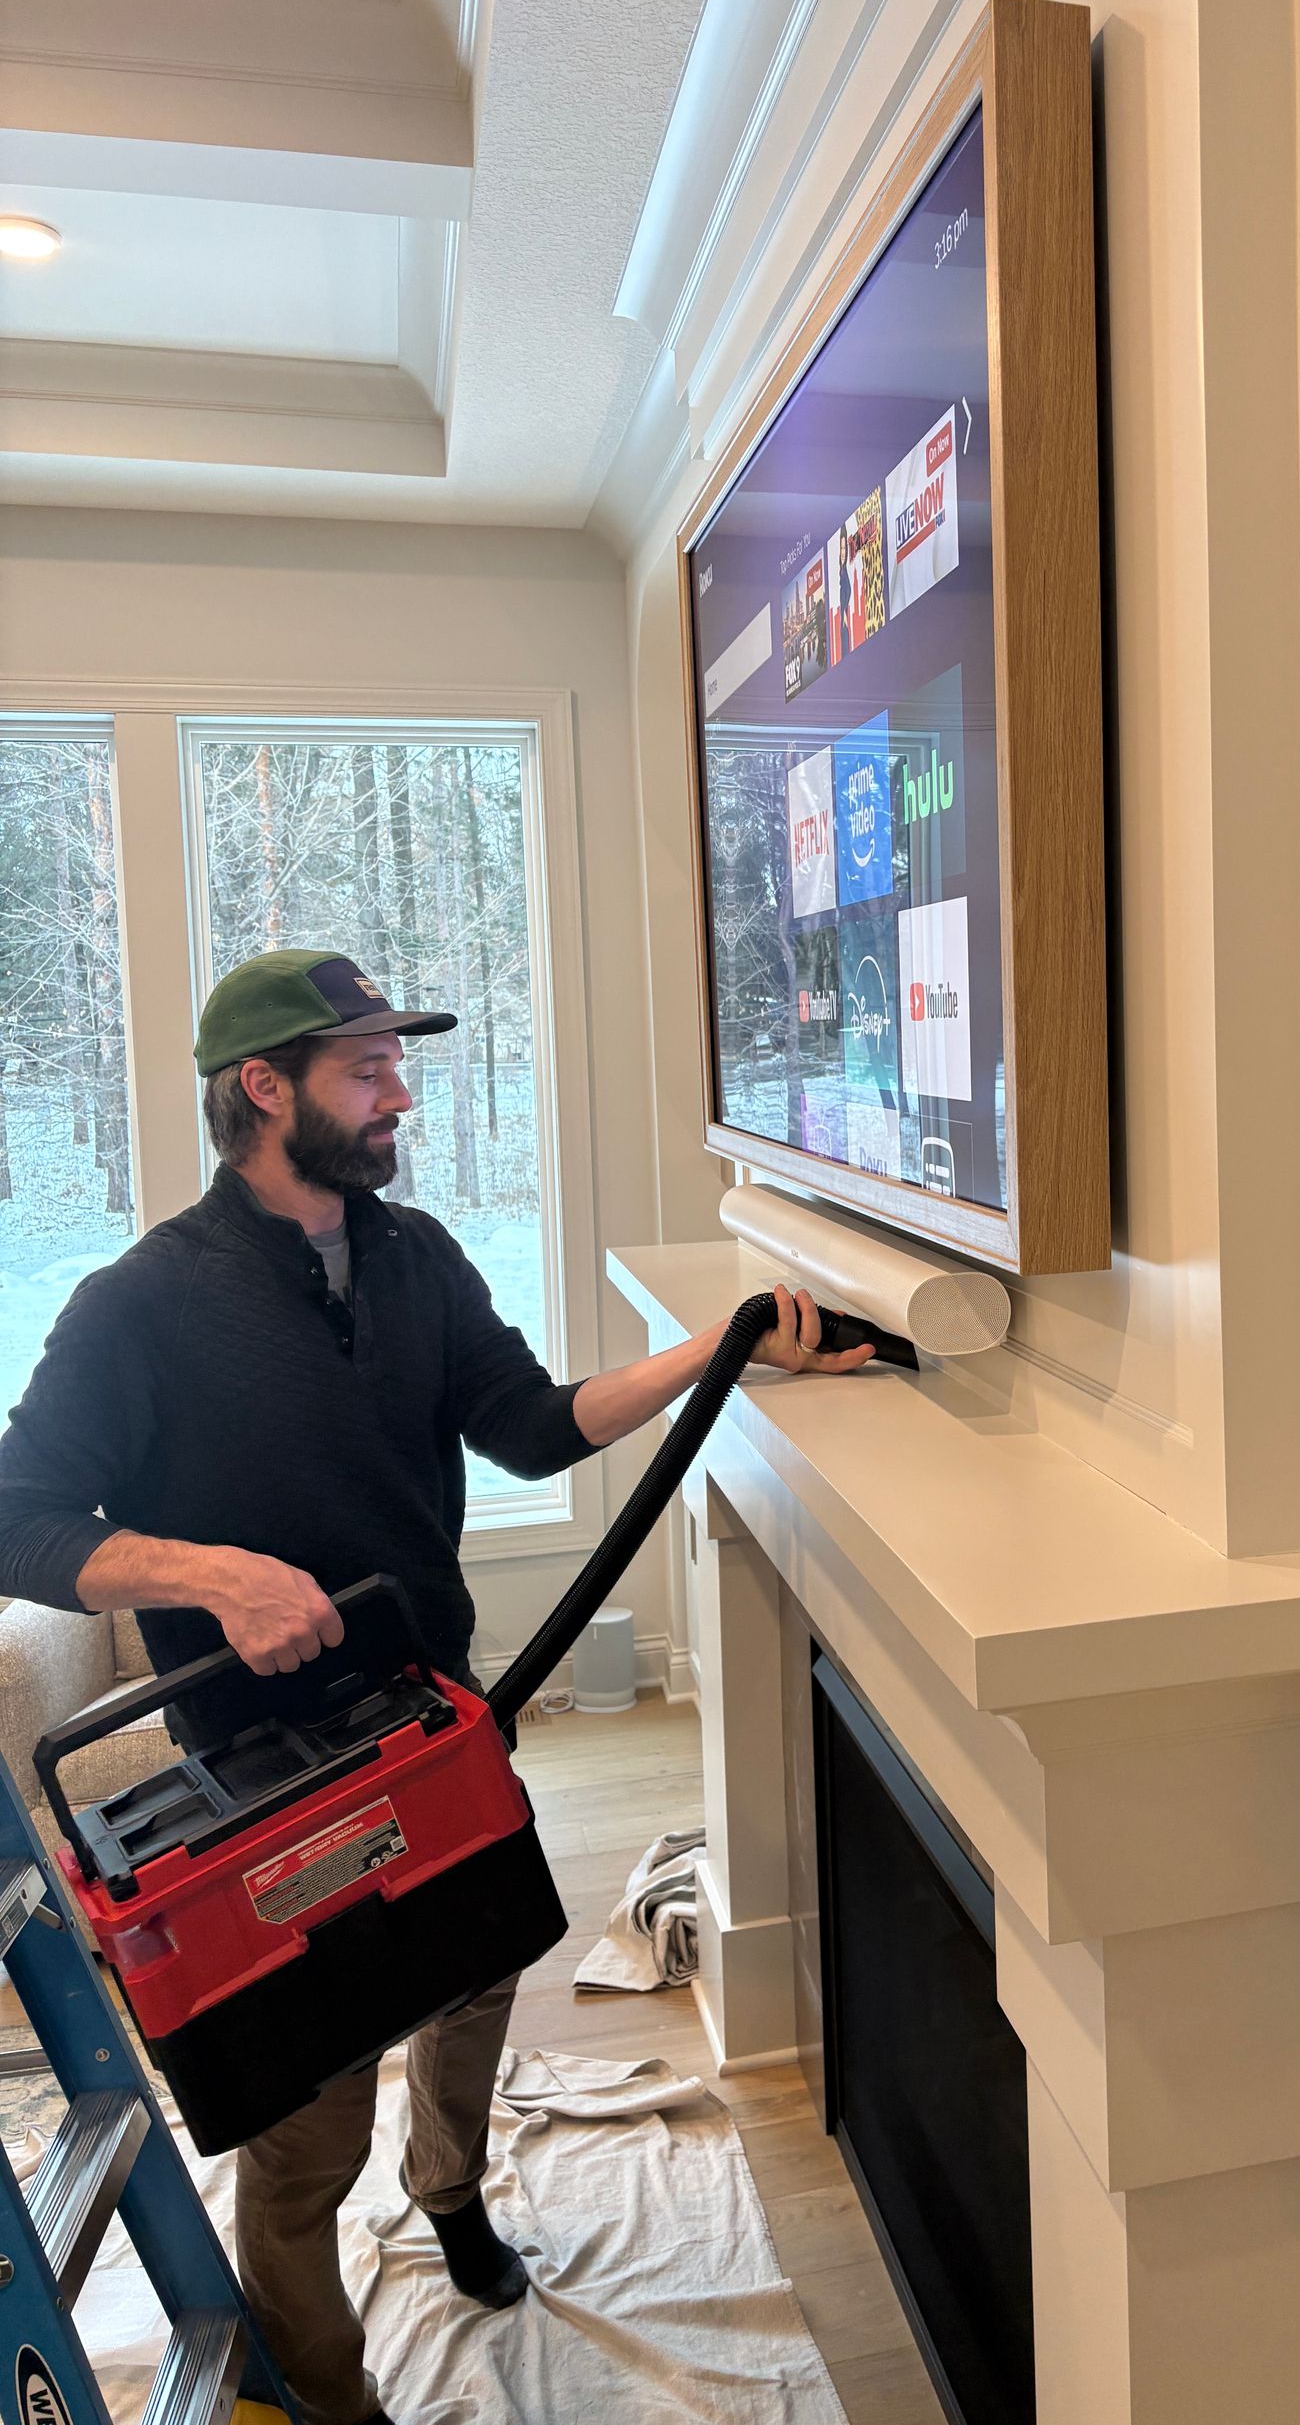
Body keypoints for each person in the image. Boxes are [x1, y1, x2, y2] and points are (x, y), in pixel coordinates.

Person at [0, 948, 871, 2425]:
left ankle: (450, 2185)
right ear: (262, 1088)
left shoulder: (414, 1257)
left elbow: (529, 1426)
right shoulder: (137, 1305)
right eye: (366, 1069)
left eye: (396, 1063)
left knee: (479, 1964)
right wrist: (212, 1576)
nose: (400, 1092)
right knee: (309, 2123)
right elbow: (20, 1516)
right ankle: (331, 2401)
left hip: (434, 1712)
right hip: (269, 1778)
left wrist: (718, 1350)